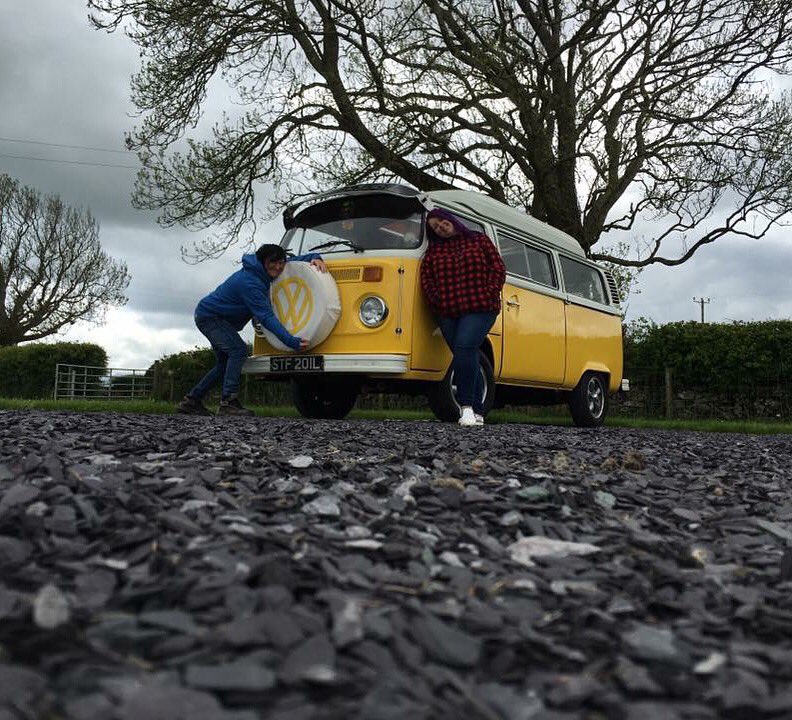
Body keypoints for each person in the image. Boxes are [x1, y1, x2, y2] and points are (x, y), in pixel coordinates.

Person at [177, 243, 327, 416]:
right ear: (263, 261)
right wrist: (291, 341)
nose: (278, 267)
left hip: (213, 317)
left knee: (224, 364)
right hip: (211, 317)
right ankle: (228, 403)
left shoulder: (262, 272)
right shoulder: (250, 283)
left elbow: (292, 263)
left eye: (280, 263)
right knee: (238, 351)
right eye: (273, 263)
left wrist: (314, 257)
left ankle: (192, 401)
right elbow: (266, 317)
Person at [420, 208, 506, 427]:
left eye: (441, 221)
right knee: (466, 354)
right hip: (448, 311)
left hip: (480, 307)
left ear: (451, 219)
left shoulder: (478, 240)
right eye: (435, 227)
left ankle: (466, 407)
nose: (440, 227)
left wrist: (490, 291)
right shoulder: (433, 252)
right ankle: (478, 411)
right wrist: (436, 301)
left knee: (465, 348)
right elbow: (426, 279)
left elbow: (498, 267)